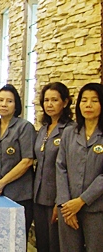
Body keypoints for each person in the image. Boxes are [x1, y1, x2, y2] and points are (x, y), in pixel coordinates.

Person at [0, 84, 35, 240]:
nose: (4, 104)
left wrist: (1, 183)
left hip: (19, 194)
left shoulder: (24, 127)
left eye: (9, 101)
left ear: (16, 105)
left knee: (16, 240)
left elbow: (27, 161)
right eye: (1, 100)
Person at [56, 83, 103, 252]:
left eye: (94, 101)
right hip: (68, 208)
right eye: (84, 100)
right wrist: (64, 204)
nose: (88, 105)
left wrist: (81, 201)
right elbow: (60, 166)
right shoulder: (70, 132)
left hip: (96, 209)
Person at [33, 82, 73, 252]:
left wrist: (61, 201)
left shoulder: (70, 130)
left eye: (54, 100)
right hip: (38, 195)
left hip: (58, 197)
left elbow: (70, 169)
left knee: (55, 244)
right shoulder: (43, 129)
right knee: (42, 242)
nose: (49, 104)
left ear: (65, 102)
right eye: (46, 100)